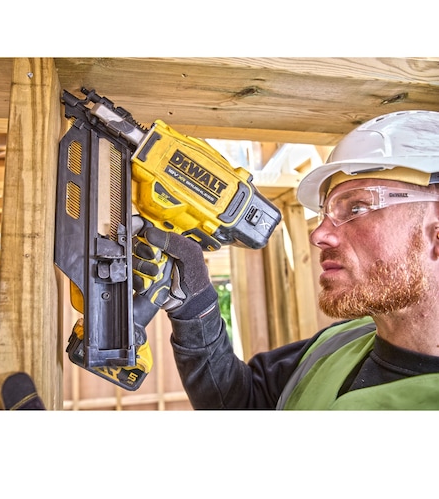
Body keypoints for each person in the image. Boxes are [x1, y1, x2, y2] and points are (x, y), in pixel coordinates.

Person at [132, 110, 439, 410]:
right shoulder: (339, 342)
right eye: (325, 213)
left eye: (357, 208)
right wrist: (196, 305)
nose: (318, 234)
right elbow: (242, 402)